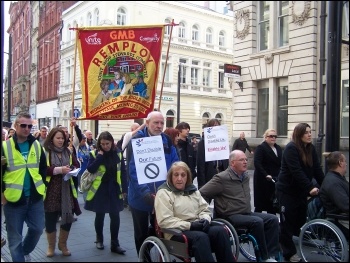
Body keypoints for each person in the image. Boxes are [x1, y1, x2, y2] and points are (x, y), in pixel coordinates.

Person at [200, 150, 281, 262]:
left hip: (245, 213)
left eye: (246, 160)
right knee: (257, 222)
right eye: (241, 160)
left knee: (272, 219)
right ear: (232, 163)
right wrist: (204, 211)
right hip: (228, 215)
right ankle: (263, 257)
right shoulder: (221, 178)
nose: (245, 162)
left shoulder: (245, 176)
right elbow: (202, 193)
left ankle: (272, 253)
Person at [155, 161, 235, 262]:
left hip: (196, 226)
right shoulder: (164, 193)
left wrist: (205, 219)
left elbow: (204, 209)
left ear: (187, 177)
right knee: (201, 237)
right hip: (176, 232)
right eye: (176, 175)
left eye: (183, 175)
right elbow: (165, 221)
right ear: (170, 177)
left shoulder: (193, 191)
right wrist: (190, 225)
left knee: (220, 231)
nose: (179, 178)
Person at [126, 111, 179, 255]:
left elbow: (175, 164)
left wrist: (173, 186)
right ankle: (144, 257)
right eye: (156, 122)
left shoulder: (167, 141)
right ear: (147, 123)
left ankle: (158, 253)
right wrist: (146, 193)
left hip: (163, 195)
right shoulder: (136, 140)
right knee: (141, 234)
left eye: (162, 123)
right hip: (140, 197)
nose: (159, 126)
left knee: (161, 230)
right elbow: (133, 171)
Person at [2, 112, 47, 262]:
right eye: (23, 125)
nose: (27, 129)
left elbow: (43, 170)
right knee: (15, 240)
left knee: (38, 229)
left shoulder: (37, 145)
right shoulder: (5, 147)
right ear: (15, 126)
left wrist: (43, 188)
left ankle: (24, 251)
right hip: (13, 199)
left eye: (30, 126)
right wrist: (2, 196)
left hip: (35, 198)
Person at [276, 123, 324, 262]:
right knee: (287, 223)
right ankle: (289, 253)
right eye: (306, 132)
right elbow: (296, 171)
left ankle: (282, 239)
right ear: (299, 134)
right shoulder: (291, 148)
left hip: (300, 192)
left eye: (310, 132)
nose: (310, 134)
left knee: (299, 221)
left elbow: (317, 169)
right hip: (287, 191)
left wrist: (326, 186)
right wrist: (310, 187)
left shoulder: (310, 148)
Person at [84, 131, 128, 254]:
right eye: (102, 144)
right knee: (100, 215)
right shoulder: (94, 153)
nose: (105, 146)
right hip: (100, 189)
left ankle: (115, 243)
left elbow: (123, 172)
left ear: (112, 142)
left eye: (107, 143)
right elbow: (90, 169)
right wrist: (99, 157)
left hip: (114, 188)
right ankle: (99, 239)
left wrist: (124, 189)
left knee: (115, 215)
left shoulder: (118, 153)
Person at [43, 127, 81, 257]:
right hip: (51, 190)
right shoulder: (46, 152)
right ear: (52, 138)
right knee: (50, 219)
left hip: (66, 190)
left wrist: (72, 169)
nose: (60, 140)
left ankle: (62, 244)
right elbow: (42, 169)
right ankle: (51, 246)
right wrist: (58, 170)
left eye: (62, 138)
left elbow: (76, 165)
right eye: (57, 138)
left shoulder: (68, 152)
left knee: (67, 218)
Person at [253, 129, 282, 214]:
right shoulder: (261, 148)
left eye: (275, 136)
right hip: (263, 179)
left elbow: (281, 162)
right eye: (271, 136)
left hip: (274, 178)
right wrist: (266, 174)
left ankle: (271, 220)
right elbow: (257, 163)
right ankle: (257, 220)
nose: (273, 138)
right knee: (261, 203)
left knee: (272, 202)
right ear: (266, 137)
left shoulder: (278, 148)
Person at [320, 151, 348, 232]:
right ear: (340, 163)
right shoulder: (333, 182)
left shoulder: (338, 178)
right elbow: (345, 205)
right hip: (341, 219)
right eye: (345, 161)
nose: (346, 164)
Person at [197, 118, 229, 189]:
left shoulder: (223, 141)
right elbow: (200, 164)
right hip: (209, 176)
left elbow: (226, 161)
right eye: (214, 126)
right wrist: (201, 184)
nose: (216, 128)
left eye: (218, 126)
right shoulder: (202, 143)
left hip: (222, 174)